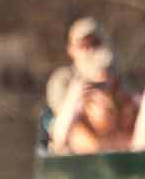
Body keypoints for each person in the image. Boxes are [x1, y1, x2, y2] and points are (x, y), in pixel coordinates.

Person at [46, 18, 137, 154]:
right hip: (75, 133)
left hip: (113, 136)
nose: (90, 50)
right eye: (83, 45)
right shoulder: (62, 78)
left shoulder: (112, 73)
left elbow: (129, 103)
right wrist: (76, 98)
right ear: (71, 49)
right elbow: (59, 121)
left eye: (95, 44)